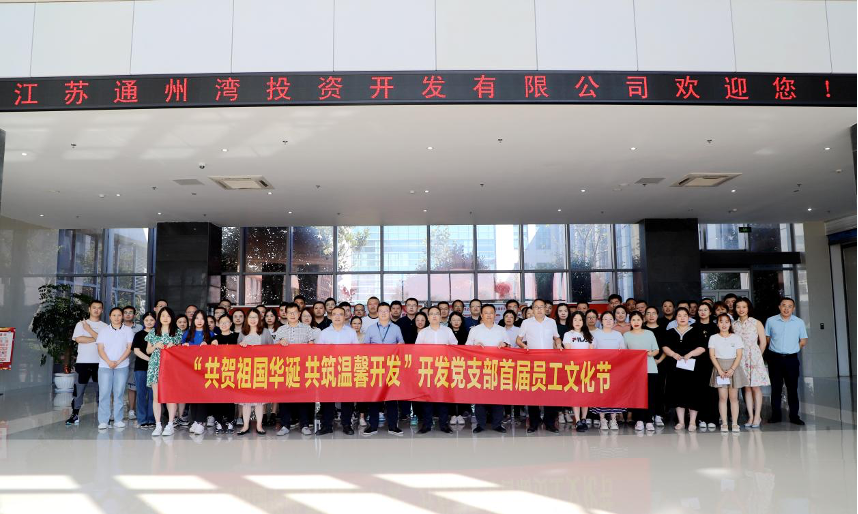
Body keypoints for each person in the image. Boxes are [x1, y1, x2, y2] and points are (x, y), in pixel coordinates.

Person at [516, 299, 561, 434]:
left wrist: (559, 343)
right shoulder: (526, 323)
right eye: (536, 307)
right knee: (533, 393)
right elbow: (518, 339)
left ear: (546, 309)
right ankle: (534, 423)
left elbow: (556, 337)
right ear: (532, 309)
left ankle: (549, 423)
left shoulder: (551, 322)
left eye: (542, 307)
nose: (540, 309)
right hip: (533, 363)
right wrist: (523, 346)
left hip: (549, 362)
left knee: (550, 393)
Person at [273, 303, 317, 436]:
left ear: (299, 314)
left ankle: (305, 425)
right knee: (285, 397)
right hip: (285, 368)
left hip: (302, 367)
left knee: (303, 397)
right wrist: (280, 342)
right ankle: (285, 425)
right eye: (289, 312)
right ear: (285, 314)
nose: (292, 315)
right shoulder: (281, 329)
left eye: (295, 312)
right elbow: (274, 348)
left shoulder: (307, 328)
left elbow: (312, 345)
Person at [465, 304, 509, 434]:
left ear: (495, 315)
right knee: (480, 398)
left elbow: (509, 346)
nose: (489, 315)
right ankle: (481, 424)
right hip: (480, 368)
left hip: (497, 368)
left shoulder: (501, 329)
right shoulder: (475, 330)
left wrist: (504, 344)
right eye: (486, 313)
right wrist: (475, 346)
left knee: (498, 397)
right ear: (481, 315)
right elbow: (467, 347)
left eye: (491, 313)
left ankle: (497, 424)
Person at [363, 302, 405, 436]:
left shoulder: (396, 328)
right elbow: (365, 347)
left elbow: (402, 344)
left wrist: (400, 345)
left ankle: (393, 426)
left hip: (391, 367)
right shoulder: (371, 329)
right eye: (381, 311)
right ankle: (373, 426)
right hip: (375, 368)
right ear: (377, 313)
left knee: (392, 398)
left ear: (390, 313)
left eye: (386, 311)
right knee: (374, 397)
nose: (383, 313)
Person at [662, 307, 707, 431]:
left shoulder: (697, 331)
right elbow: (664, 346)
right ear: (675, 318)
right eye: (679, 315)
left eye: (685, 315)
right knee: (678, 393)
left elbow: (703, 347)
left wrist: (691, 354)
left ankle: (692, 421)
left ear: (689, 318)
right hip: (675, 368)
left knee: (693, 393)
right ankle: (681, 422)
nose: (682, 318)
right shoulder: (670, 332)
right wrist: (673, 354)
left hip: (693, 368)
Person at [316, 306, 359, 435]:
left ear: (345, 316)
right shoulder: (324, 333)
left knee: (347, 399)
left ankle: (346, 424)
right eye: (334, 314)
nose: (337, 317)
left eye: (340, 314)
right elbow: (318, 352)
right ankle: (327, 425)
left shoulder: (351, 332)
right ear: (330, 316)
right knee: (327, 399)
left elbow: (356, 351)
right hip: (329, 369)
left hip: (346, 369)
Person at [414, 306, 457, 434]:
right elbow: (416, 350)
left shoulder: (448, 331)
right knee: (427, 398)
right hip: (428, 369)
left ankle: (444, 425)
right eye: (431, 314)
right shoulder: (423, 332)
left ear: (440, 316)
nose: (434, 316)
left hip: (443, 368)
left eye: (437, 313)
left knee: (443, 398)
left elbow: (455, 347)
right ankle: (427, 424)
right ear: (428, 317)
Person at [765, 297, 807, 425]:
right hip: (775, 359)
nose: (786, 308)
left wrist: (792, 349)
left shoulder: (799, 322)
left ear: (793, 308)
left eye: (789, 306)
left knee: (792, 388)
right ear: (779, 307)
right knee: (776, 388)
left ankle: (794, 416)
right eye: (784, 305)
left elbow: (803, 340)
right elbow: (768, 338)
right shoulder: (771, 321)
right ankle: (776, 415)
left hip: (791, 359)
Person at [66, 300, 107, 426]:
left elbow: (105, 342)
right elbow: (79, 339)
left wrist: (88, 330)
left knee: (101, 391)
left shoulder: (105, 326)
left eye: (99, 308)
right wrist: (97, 338)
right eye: (94, 307)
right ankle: (75, 414)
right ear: (89, 309)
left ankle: (103, 417)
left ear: (102, 310)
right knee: (78, 390)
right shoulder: (81, 324)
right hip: (82, 363)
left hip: (100, 363)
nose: (96, 310)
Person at [145, 307, 183, 437]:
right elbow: (148, 350)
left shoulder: (177, 332)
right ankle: (158, 425)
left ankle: (170, 424)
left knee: (170, 396)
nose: (165, 318)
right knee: (157, 397)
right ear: (159, 318)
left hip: (171, 366)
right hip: (155, 365)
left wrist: (175, 346)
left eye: (168, 316)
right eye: (162, 316)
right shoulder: (153, 331)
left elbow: (181, 349)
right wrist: (156, 345)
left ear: (172, 317)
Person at [95, 307, 134, 430]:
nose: (116, 318)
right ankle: (103, 421)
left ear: (122, 316)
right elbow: (100, 348)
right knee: (104, 393)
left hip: (122, 365)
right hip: (105, 366)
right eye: (114, 315)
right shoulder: (103, 331)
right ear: (110, 317)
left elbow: (129, 348)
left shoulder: (128, 330)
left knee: (119, 393)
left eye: (119, 315)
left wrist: (117, 362)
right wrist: (109, 362)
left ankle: (118, 419)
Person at [733, 298, 770, 428]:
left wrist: (757, 357)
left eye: (744, 307)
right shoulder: (734, 325)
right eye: (738, 307)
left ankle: (757, 416)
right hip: (740, 358)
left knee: (755, 387)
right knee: (746, 387)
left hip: (754, 357)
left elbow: (763, 342)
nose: (741, 309)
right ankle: (750, 416)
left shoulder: (756, 323)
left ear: (748, 308)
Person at [709, 313, 749, 433]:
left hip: (733, 367)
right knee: (722, 397)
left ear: (730, 324)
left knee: (734, 398)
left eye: (727, 322)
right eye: (721, 321)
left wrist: (732, 369)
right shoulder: (713, 338)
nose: (724, 324)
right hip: (719, 367)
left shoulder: (736, 337)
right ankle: (724, 423)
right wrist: (720, 370)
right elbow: (712, 355)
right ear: (717, 324)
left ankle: (735, 423)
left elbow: (739, 355)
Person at [236, 308, 273, 436]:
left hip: (261, 370)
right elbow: (237, 352)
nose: (253, 320)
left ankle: (259, 425)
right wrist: (241, 347)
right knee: (246, 400)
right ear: (247, 319)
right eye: (250, 317)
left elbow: (272, 350)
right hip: (246, 370)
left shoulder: (265, 332)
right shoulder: (242, 332)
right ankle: (245, 426)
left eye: (255, 317)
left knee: (259, 400)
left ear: (259, 319)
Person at [624, 312, 660, 432]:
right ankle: (639, 420)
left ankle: (649, 420)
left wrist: (650, 353)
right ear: (630, 322)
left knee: (650, 396)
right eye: (633, 320)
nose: (636, 322)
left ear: (642, 320)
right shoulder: (626, 335)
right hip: (634, 370)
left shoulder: (649, 333)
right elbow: (624, 353)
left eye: (638, 319)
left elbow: (656, 350)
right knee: (638, 396)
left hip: (650, 368)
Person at [591, 311, 627, 430]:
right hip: (601, 368)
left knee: (614, 394)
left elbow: (623, 351)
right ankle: (602, 419)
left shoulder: (618, 335)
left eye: (610, 319)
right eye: (605, 319)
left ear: (614, 321)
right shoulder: (596, 334)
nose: (608, 321)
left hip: (615, 369)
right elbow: (592, 351)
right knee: (602, 394)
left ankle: (613, 419)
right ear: (601, 321)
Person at [562, 311, 593, 431]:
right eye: (575, 319)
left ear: (583, 321)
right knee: (575, 394)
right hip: (574, 368)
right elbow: (568, 351)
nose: (577, 322)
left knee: (585, 394)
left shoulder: (588, 335)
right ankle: (578, 420)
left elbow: (592, 352)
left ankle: (584, 418)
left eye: (580, 320)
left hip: (586, 368)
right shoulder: (568, 334)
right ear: (571, 321)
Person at [184, 310, 215, 435]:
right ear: (193, 320)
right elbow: (181, 349)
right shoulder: (187, 333)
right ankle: (195, 420)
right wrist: (184, 346)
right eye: (197, 318)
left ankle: (201, 421)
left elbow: (215, 350)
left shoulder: (210, 334)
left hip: (205, 370)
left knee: (203, 395)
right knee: (192, 395)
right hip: (190, 369)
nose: (199, 321)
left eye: (202, 318)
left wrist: (209, 344)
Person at [210, 315, 238, 434]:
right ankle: (218, 421)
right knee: (217, 397)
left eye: (227, 322)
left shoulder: (236, 337)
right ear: (218, 324)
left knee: (230, 398)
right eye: (221, 322)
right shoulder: (214, 338)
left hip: (232, 371)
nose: (224, 324)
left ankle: (230, 421)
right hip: (217, 371)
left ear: (231, 323)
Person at [693, 303, 719, 430]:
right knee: (699, 390)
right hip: (697, 363)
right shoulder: (693, 327)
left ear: (710, 312)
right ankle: (701, 418)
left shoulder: (715, 327)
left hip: (713, 362)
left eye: (705, 310)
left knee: (713, 390)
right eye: (700, 310)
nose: (702, 312)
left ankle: (713, 418)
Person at [131, 311, 157, 429]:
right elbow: (136, 351)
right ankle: (142, 419)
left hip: (156, 368)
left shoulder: (158, 334)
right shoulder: (139, 334)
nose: (149, 322)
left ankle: (152, 419)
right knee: (141, 393)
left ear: (155, 321)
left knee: (153, 394)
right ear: (143, 321)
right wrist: (149, 360)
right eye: (147, 320)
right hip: (141, 367)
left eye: (151, 320)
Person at [644, 306, 667, 426]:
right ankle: (647, 415)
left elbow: (666, 348)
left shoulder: (663, 329)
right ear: (645, 315)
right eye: (648, 313)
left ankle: (658, 414)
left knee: (659, 389)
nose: (651, 315)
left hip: (659, 363)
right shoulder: (642, 328)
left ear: (658, 315)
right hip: (643, 365)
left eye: (654, 313)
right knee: (645, 391)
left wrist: (659, 361)